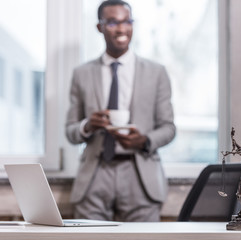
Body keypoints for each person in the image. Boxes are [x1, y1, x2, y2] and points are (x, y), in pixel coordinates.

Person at [65, 0, 176, 222]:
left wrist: (144, 140)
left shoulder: (156, 73)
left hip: (139, 173)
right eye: (113, 22)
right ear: (100, 27)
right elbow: (70, 131)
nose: (122, 29)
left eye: (127, 21)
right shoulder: (82, 73)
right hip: (96, 173)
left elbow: (168, 128)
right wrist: (88, 125)